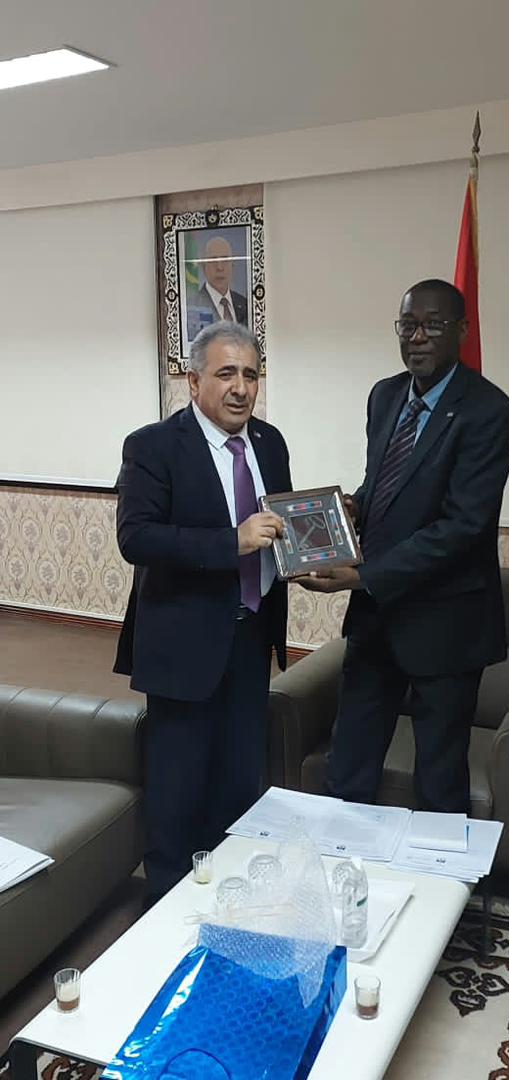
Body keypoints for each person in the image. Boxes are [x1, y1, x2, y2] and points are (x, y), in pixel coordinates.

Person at [297, 279, 509, 813]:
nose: (417, 338)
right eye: (407, 325)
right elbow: (384, 484)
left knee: (438, 783)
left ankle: (437, 871)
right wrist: (353, 508)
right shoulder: (385, 395)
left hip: (445, 626)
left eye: (433, 326)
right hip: (376, 619)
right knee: (348, 768)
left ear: (462, 331)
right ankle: (343, 864)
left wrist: (362, 576)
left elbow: (462, 527)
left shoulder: (489, 411)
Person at [114, 321, 290, 904]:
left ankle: (230, 899)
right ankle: (166, 912)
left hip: (252, 636)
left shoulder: (270, 443)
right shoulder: (153, 446)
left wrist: (306, 559)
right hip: (183, 645)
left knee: (240, 781)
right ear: (193, 382)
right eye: (226, 373)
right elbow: (137, 537)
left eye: (251, 375)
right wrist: (230, 542)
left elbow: (282, 530)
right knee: (178, 787)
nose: (241, 387)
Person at [187, 235, 249, 341]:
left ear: (232, 265)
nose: (220, 267)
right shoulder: (191, 306)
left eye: (225, 260)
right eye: (213, 261)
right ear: (204, 267)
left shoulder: (245, 304)